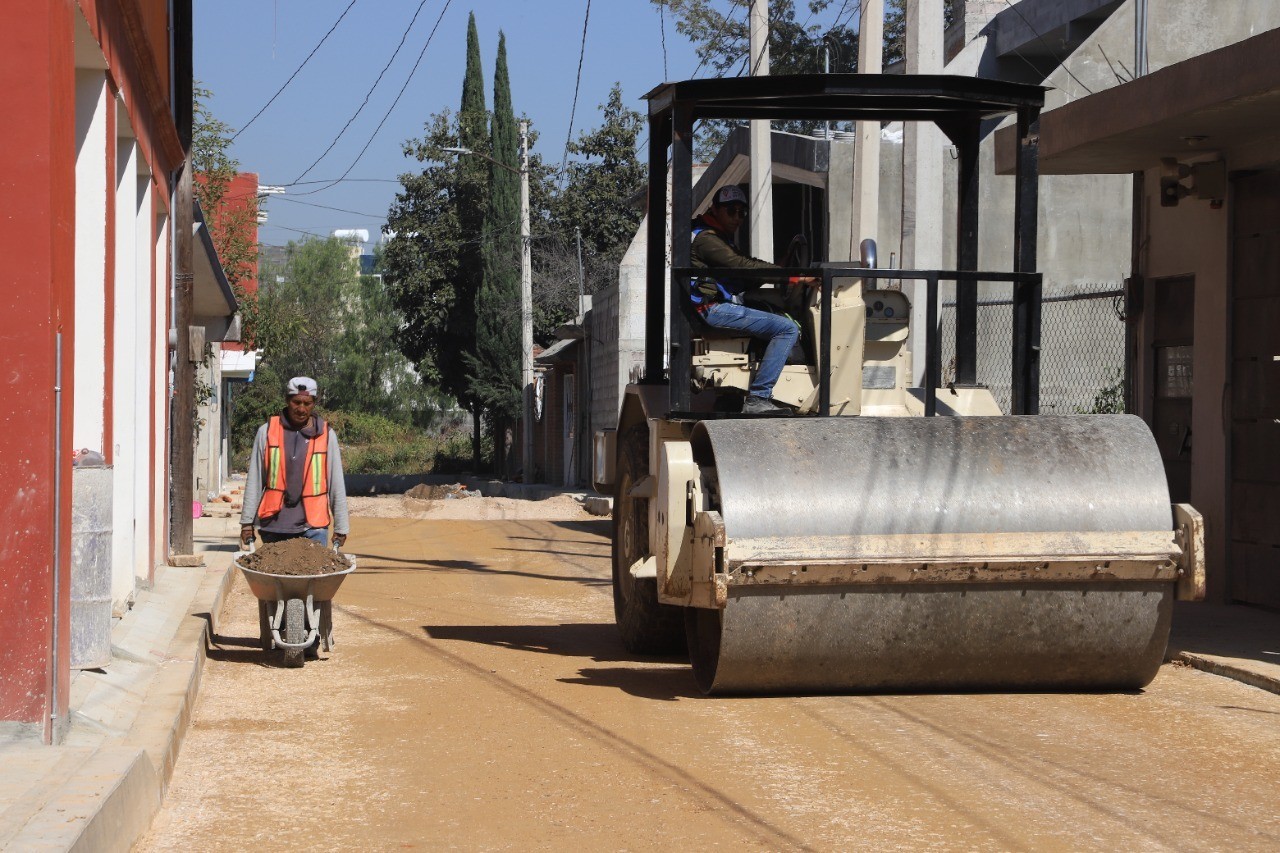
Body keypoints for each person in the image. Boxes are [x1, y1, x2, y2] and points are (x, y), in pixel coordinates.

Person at [690, 185, 817, 414]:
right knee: (787, 329)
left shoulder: (719, 238)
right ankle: (759, 397)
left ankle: (737, 395)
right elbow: (741, 266)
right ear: (715, 210)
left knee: (775, 313)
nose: (737, 218)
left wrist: (779, 271)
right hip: (713, 309)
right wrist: (792, 275)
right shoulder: (706, 240)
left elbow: (743, 274)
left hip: (717, 305)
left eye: (742, 212)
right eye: (731, 211)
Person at [240, 376, 350, 550]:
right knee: (276, 575)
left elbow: (336, 483)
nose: (301, 409)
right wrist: (247, 522)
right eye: (296, 402)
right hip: (274, 524)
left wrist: (341, 526)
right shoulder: (267, 431)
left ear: (314, 403)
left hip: (313, 526)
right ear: (287, 400)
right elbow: (255, 479)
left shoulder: (326, 435)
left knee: (312, 575)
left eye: (307, 403)